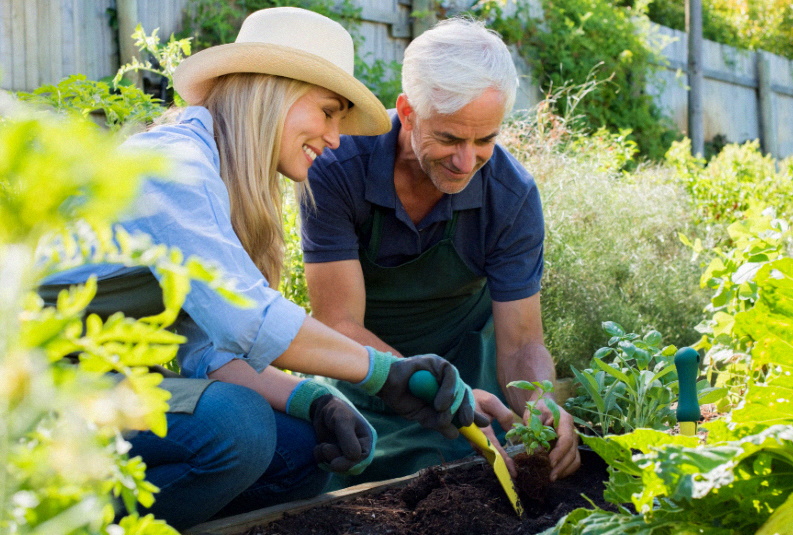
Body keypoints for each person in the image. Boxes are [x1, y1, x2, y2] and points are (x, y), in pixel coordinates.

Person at [36, 8, 486, 530]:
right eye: (327, 111)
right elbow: (248, 319)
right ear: (271, 91)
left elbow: (203, 351)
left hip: (101, 391)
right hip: (34, 396)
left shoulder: (218, 179)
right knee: (237, 425)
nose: (336, 137)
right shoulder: (172, 168)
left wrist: (313, 400)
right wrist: (383, 373)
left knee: (305, 448)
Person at [300, 17, 581, 488]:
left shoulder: (510, 197)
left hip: (470, 376)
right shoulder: (338, 168)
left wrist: (540, 403)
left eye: (485, 139)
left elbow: (521, 343)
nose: (466, 161)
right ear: (408, 113)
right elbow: (339, 324)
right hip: (362, 372)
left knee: (465, 478)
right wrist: (429, 389)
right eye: (450, 138)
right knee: (329, 476)